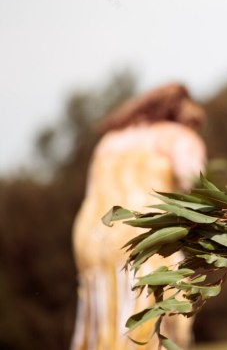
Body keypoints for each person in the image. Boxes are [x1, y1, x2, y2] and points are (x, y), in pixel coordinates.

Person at [70, 83, 207, 350]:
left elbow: (91, 190)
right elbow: (194, 184)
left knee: (105, 313)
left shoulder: (110, 139)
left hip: (91, 233)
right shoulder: (178, 136)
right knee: (157, 308)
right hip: (142, 230)